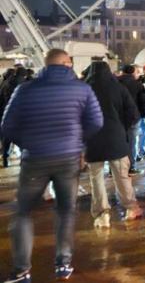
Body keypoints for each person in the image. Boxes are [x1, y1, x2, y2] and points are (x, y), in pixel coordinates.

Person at [1, 49, 103, 283]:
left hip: (34, 159)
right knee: (66, 211)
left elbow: (7, 126)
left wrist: (27, 142)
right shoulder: (82, 89)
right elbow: (96, 122)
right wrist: (77, 141)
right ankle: (63, 264)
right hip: (68, 158)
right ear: (67, 64)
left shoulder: (25, 89)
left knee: (23, 212)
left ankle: (21, 270)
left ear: (46, 65)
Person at [84, 61, 143, 229]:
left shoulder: (84, 89)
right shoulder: (118, 87)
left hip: (92, 139)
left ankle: (102, 214)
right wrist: (121, 127)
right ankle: (131, 208)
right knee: (122, 175)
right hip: (115, 137)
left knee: (96, 178)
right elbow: (133, 114)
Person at [117, 65, 145, 175]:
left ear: (122, 72)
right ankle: (131, 166)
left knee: (119, 142)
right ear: (133, 72)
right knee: (132, 142)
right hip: (133, 117)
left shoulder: (115, 83)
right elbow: (144, 101)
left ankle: (116, 169)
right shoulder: (137, 84)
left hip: (118, 117)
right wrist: (143, 115)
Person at [0, 67, 29, 168]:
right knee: (22, 138)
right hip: (20, 115)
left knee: (6, 138)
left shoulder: (5, 83)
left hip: (6, 113)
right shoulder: (24, 85)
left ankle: (5, 159)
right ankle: (23, 160)